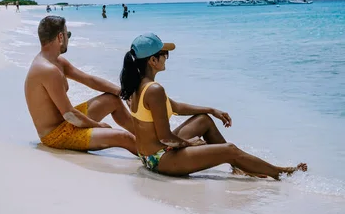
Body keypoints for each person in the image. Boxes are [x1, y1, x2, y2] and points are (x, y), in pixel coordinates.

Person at [120, 32, 308, 179]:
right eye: (164, 54)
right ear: (153, 60)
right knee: (230, 150)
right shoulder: (154, 90)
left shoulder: (139, 86)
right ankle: (280, 173)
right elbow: (165, 137)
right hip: (160, 160)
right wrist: (190, 144)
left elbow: (175, 107)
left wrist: (211, 110)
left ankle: (240, 168)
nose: (167, 57)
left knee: (204, 120)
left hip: (149, 156)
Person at [25, 16, 136, 155]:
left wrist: (124, 93)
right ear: (60, 37)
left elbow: (89, 80)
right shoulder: (48, 70)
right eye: (68, 34)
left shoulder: (57, 62)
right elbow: (69, 115)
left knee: (112, 99)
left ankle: (148, 138)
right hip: (55, 136)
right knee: (124, 138)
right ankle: (157, 159)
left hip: (67, 123)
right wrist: (98, 126)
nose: (68, 39)